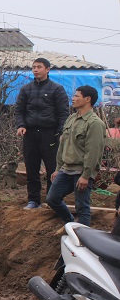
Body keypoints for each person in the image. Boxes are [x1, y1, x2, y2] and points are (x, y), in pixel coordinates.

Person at [46, 86, 105, 227]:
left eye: (77, 96)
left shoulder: (95, 123)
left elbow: (93, 152)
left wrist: (86, 175)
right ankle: (71, 224)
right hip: (66, 169)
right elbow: (63, 145)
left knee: (82, 207)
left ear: (87, 99)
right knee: (52, 198)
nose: (73, 98)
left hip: (81, 171)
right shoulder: (71, 119)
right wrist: (58, 168)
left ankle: (83, 239)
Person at [15, 57, 69, 210]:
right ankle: (34, 200)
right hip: (30, 133)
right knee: (31, 168)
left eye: (39, 67)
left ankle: (53, 200)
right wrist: (21, 125)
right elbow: (19, 110)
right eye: (33, 67)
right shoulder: (26, 89)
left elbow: (63, 112)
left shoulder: (57, 89)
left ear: (47, 69)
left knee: (53, 169)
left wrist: (61, 132)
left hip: (50, 133)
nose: (36, 70)